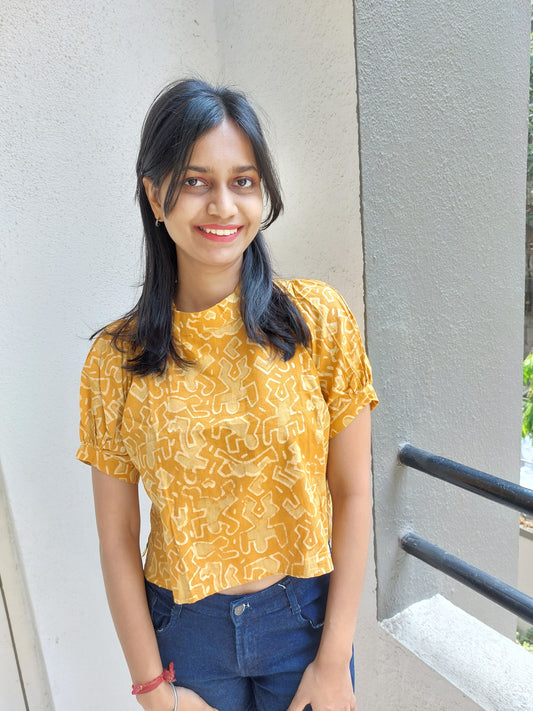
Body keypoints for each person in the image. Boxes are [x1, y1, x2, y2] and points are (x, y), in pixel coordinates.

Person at [76, 78, 378, 711]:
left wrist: (334, 662)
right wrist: (154, 691)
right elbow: (116, 536)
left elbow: (352, 494)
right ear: (154, 194)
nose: (223, 205)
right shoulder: (115, 360)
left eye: (243, 181)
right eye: (195, 181)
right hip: (187, 634)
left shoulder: (319, 321)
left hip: (305, 620)